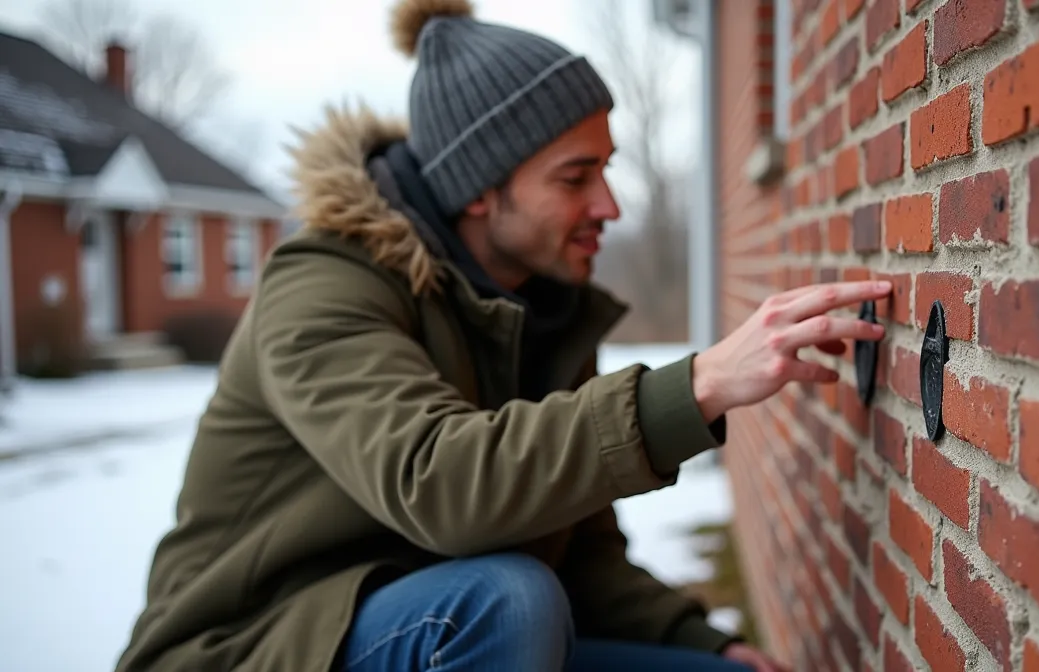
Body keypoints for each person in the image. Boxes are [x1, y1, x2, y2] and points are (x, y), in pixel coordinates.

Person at [113, 0, 891, 670]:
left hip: (427, 631)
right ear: (481, 189)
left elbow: (579, 553)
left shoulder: (545, 310)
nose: (609, 206)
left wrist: (699, 641)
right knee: (505, 602)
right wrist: (697, 385)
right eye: (574, 177)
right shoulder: (322, 288)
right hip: (254, 645)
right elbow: (440, 484)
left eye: (607, 169)